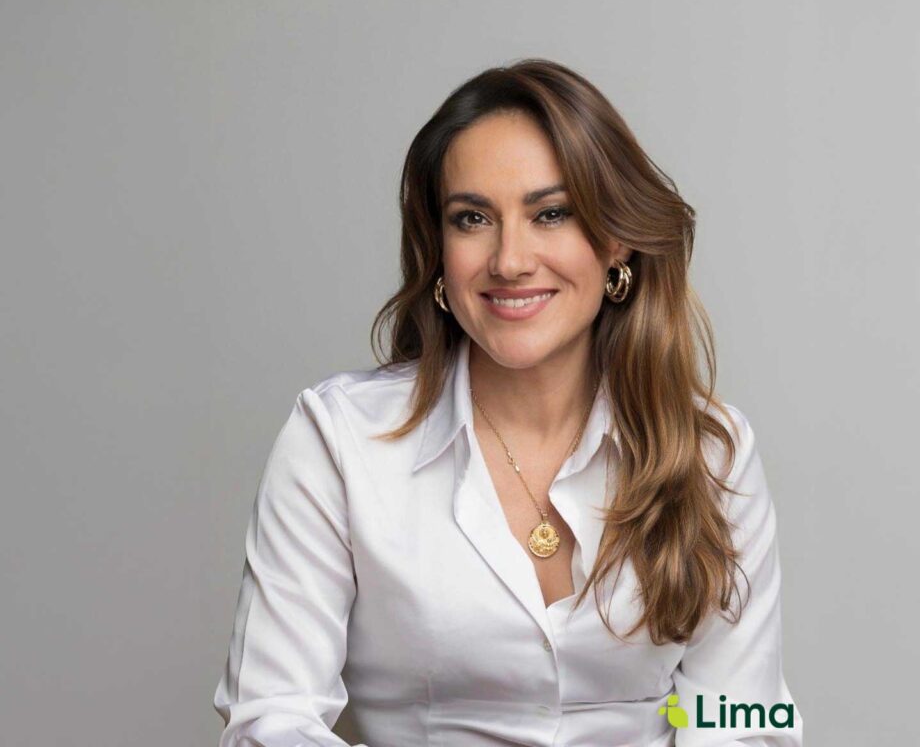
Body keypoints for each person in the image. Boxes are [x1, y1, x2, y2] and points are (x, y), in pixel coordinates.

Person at [212, 58, 803, 746]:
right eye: (472, 219)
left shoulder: (711, 453)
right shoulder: (339, 440)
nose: (510, 260)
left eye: (551, 213)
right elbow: (271, 719)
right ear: (438, 249)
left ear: (616, 240)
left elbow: (742, 716)